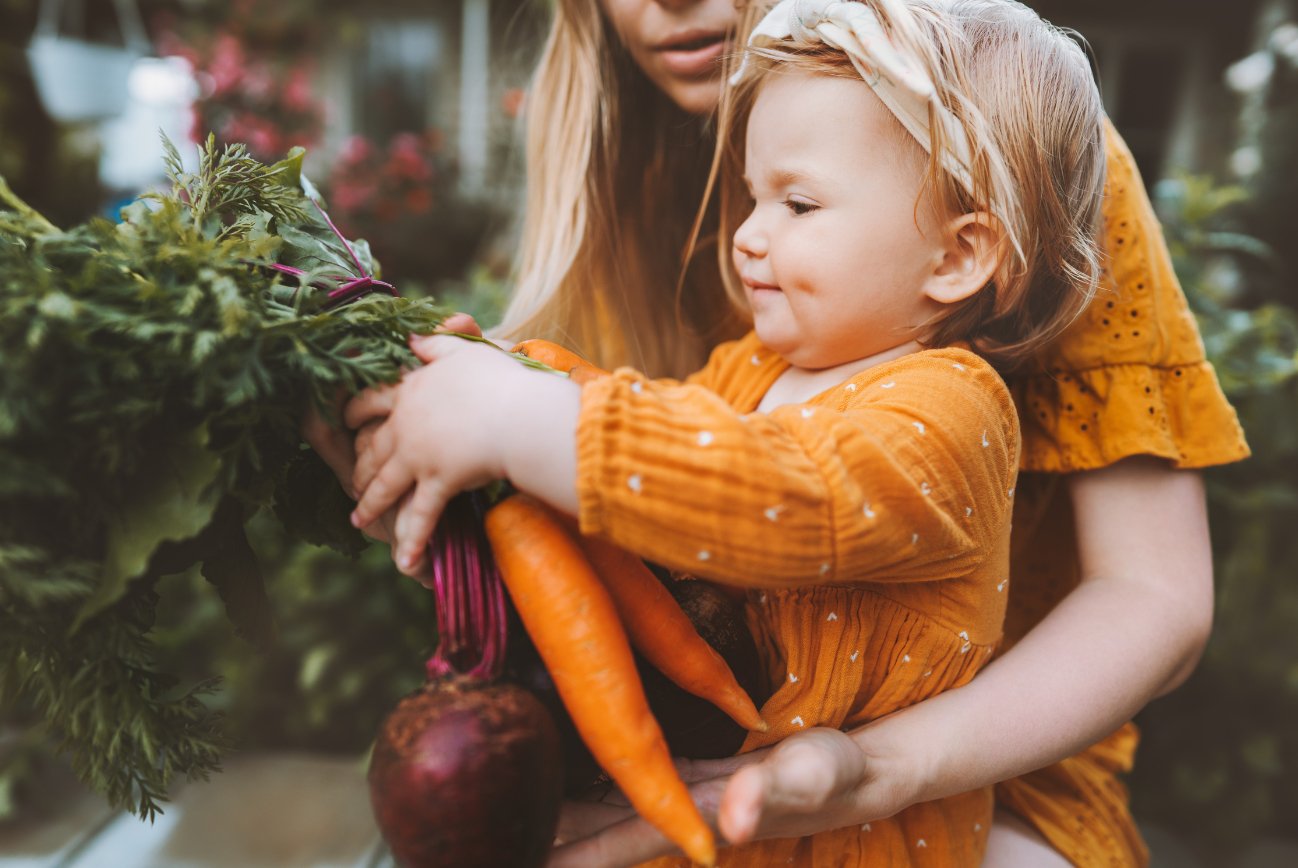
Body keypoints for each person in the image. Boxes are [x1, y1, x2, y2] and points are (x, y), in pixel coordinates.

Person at [303, 1, 1250, 865]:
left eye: (795, 205)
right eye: (751, 198)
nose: (748, 237)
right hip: (739, 773)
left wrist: (526, 421)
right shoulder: (765, 358)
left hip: (906, 818)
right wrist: (494, 396)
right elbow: (662, 428)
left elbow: (782, 491)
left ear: (961, 253)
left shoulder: (949, 404)